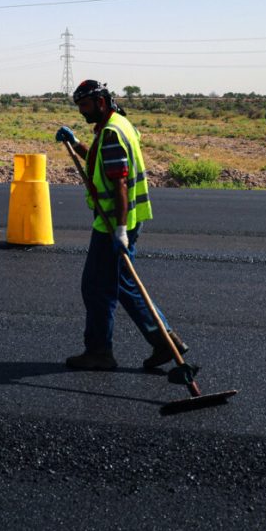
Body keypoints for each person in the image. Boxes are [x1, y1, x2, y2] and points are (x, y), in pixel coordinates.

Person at [55, 79, 188, 370]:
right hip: (126, 221)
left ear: (101, 102)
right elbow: (100, 159)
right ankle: (167, 343)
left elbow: (120, 183)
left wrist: (120, 230)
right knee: (123, 284)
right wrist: (75, 143)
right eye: (79, 107)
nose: (82, 112)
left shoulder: (112, 133)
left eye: (86, 106)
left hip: (114, 224)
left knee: (95, 287)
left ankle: (99, 352)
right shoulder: (119, 125)